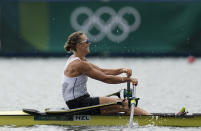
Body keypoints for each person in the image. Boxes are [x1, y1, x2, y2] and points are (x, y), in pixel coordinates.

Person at [62, 31, 151, 115]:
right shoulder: (78, 64)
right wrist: (128, 79)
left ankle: (142, 120)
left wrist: (122, 70)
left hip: (80, 100)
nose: (89, 43)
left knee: (122, 105)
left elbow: (102, 71)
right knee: (126, 104)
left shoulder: (78, 59)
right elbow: (105, 78)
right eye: (87, 41)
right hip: (79, 104)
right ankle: (153, 120)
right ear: (79, 45)